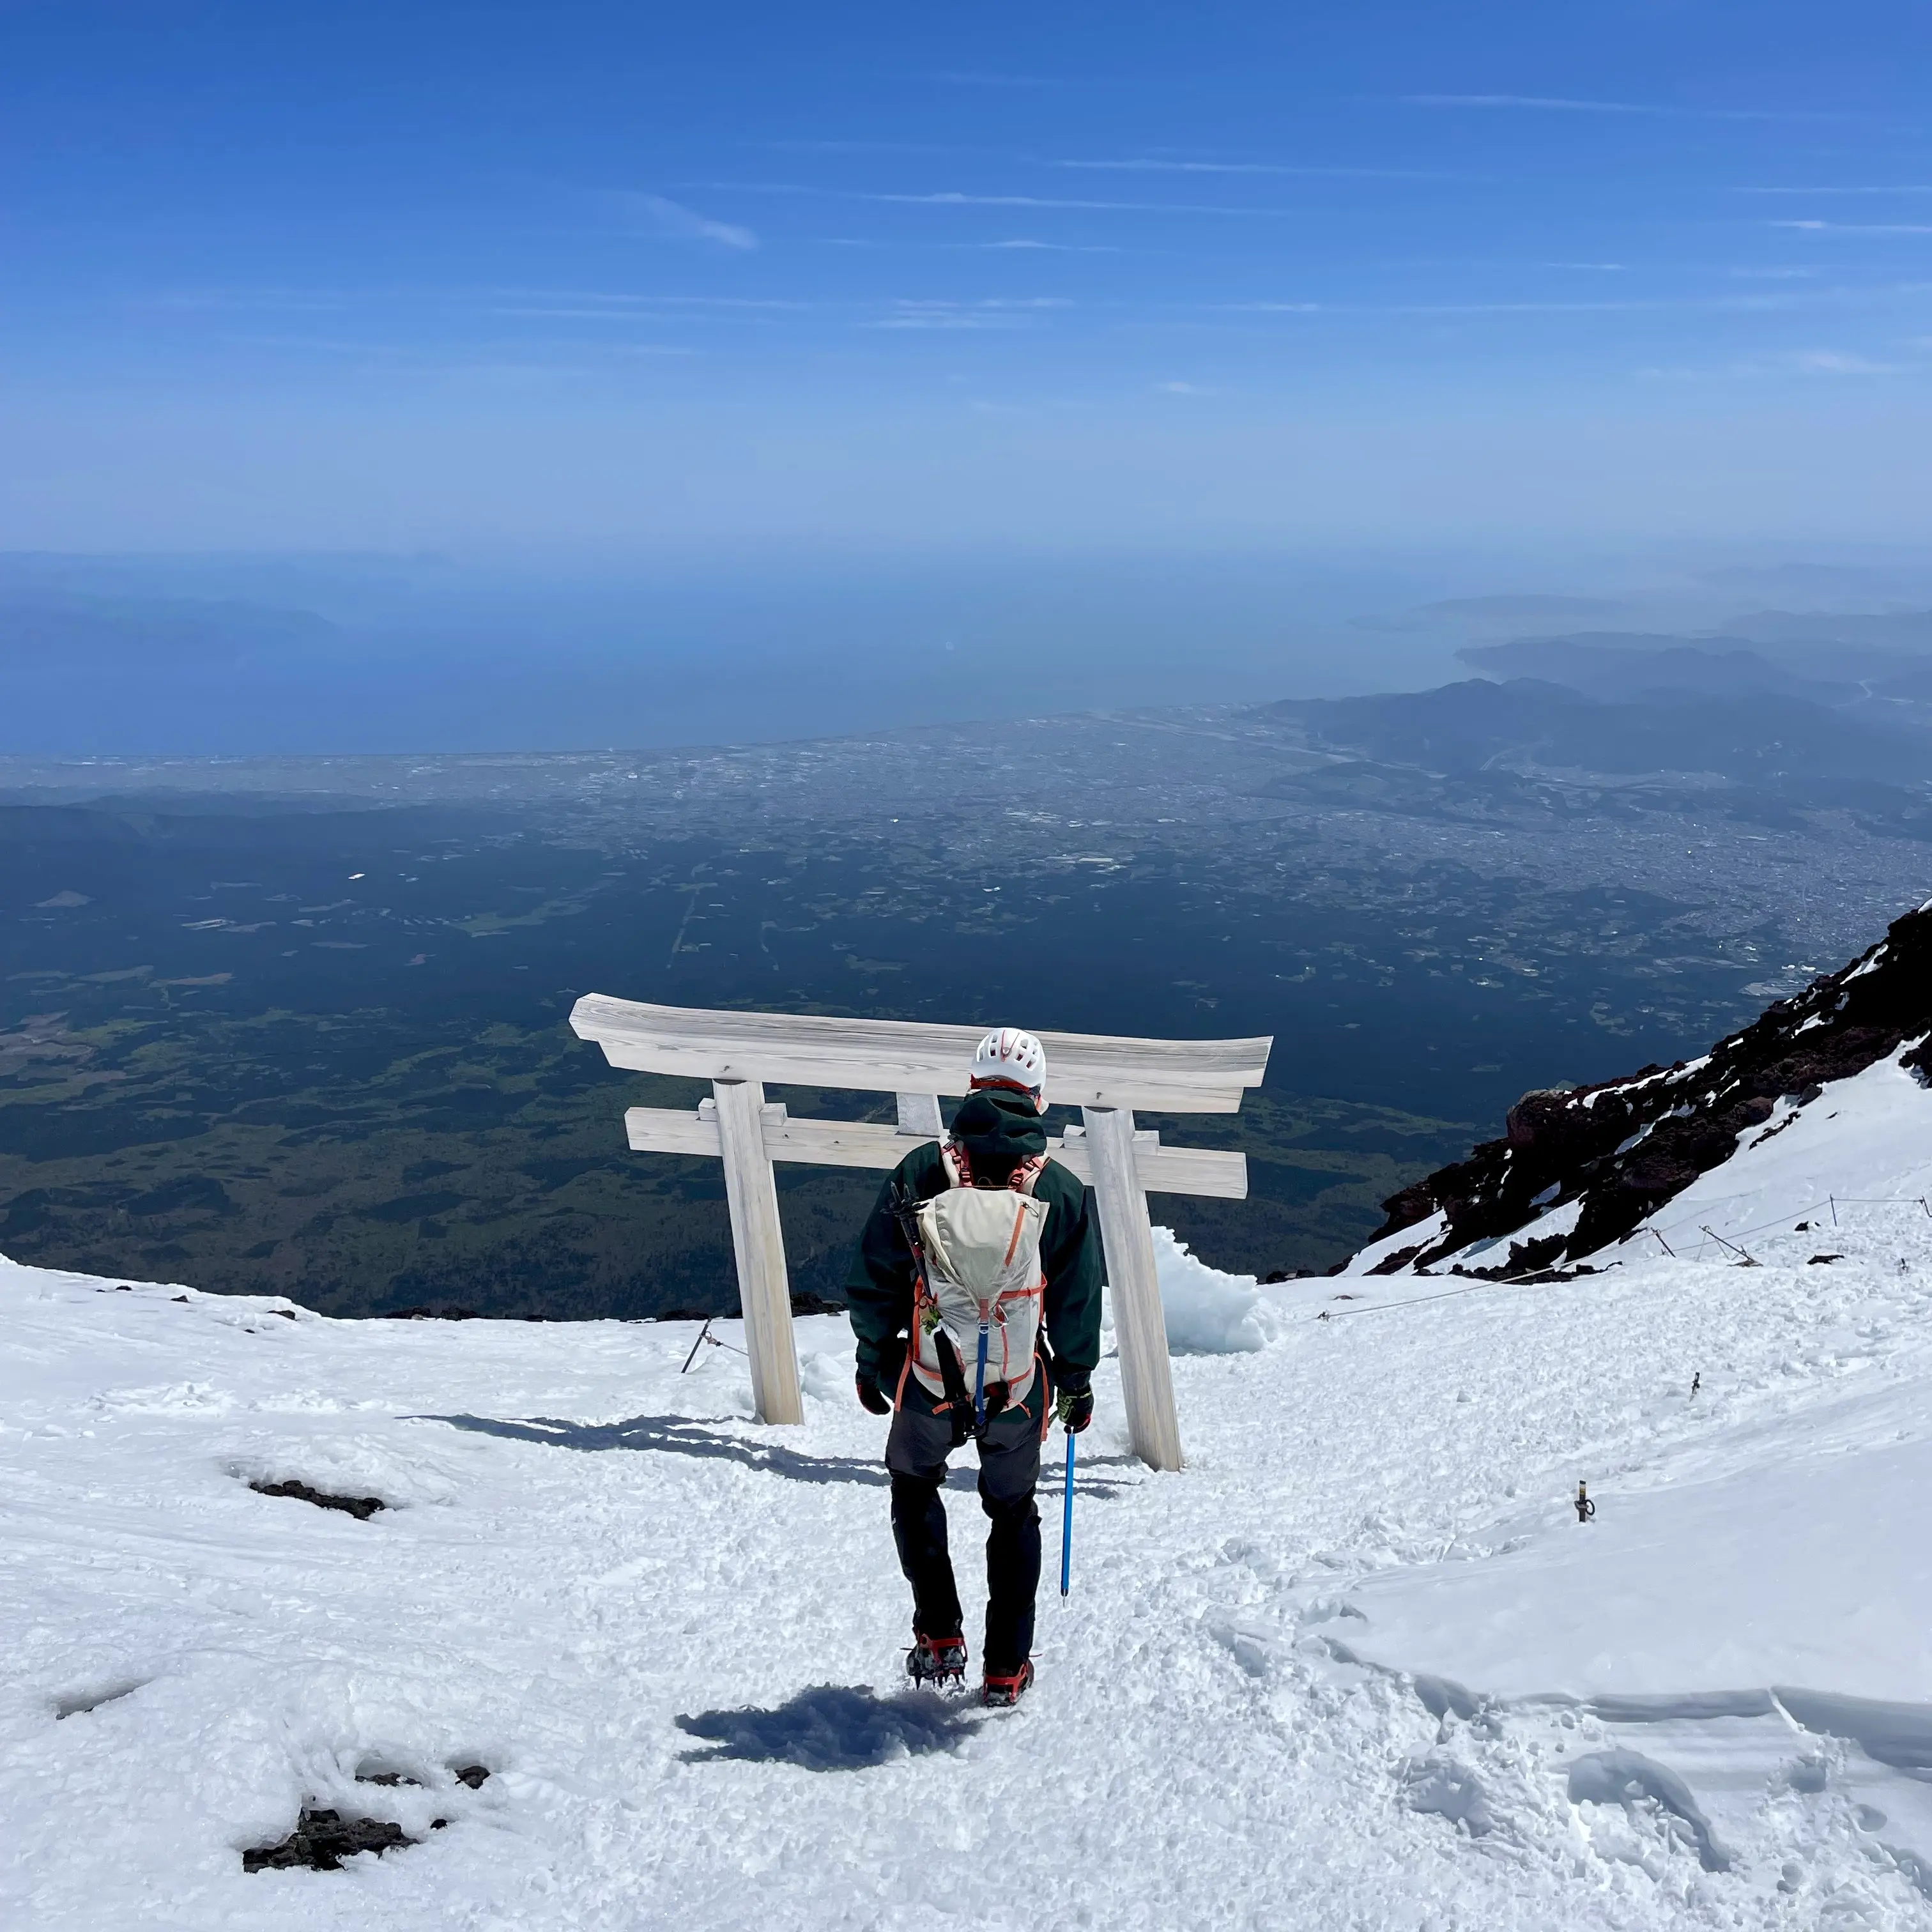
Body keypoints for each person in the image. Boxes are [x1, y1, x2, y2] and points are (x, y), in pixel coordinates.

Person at [846, 1027, 1103, 1707]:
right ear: (1040, 1101)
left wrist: (874, 1357)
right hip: (1017, 1390)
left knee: (912, 1486)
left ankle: (938, 1635)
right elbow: (1077, 1300)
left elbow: (874, 1278)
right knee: (1012, 1513)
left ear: (969, 1089)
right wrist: (1075, 1380)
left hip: (930, 1378)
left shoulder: (923, 1173)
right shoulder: (1063, 1191)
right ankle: (1006, 1670)